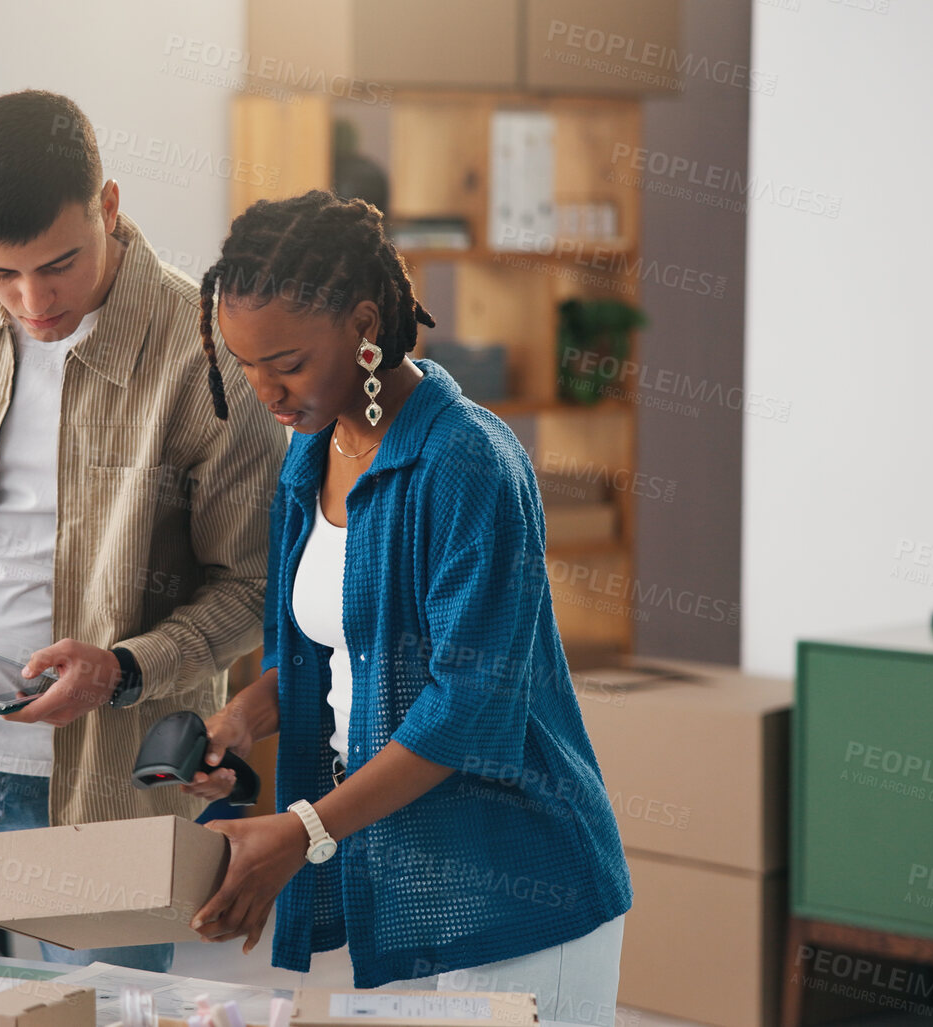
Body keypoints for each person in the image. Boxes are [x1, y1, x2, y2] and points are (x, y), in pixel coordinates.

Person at [0, 90, 285, 972]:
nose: (33, 301)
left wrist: (122, 670)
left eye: (60, 264)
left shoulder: (207, 358)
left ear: (108, 206)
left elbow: (251, 586)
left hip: (106, 786)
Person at [181, 190, 632, 1023]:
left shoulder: (465, 462)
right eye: (244, 366)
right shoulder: (311, 455)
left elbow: (466, 709)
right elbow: (318, 654)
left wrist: (303, 829)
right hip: (395, 870)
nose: (265, 391)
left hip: (515, 890)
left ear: (362, 324)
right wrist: (238, 719)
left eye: (284, 362)